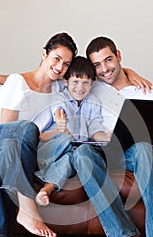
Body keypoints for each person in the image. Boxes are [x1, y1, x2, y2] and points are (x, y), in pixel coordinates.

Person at [0, 32, 78, 237]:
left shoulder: (58, 92)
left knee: (8, 154)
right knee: (23, 130)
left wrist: (60, 130)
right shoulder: (17, 82)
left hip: (13, 148)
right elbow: (7, 129)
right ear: (44, 54)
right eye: (56, 58)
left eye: (66, 63)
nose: (60, 66)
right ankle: (26, 205)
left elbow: (91, 78)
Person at [68, 36, 153, 237]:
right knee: (81, 154)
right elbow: (51, 79)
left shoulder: (148, 92)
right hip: (101, 152)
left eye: (108, 60)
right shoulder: (92, 88)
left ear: (119, 56)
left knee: (144, 148)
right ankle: (125, 234)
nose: (104, 69)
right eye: (97, 65)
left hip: (133, 153)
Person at [33, 55, 111, 206]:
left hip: (71, 151)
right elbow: (58, 114)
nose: (80, 88)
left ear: (92, 84)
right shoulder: (58, 98)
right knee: (68, 141)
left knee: (74, 155)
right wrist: (61, 125)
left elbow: (95, 128)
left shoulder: (93, 102)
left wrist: (107, 137)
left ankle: (46, 189)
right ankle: (35, 163)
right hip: (52, 148)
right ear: (65, 81)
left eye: (85, 83)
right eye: (75, 81)